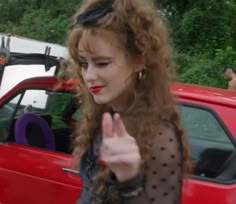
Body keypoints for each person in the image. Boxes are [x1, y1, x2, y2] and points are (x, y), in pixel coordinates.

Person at [67, 0, 192, 203]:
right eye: (83, 63)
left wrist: (129, 181)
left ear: (139, 60)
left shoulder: (159, 136)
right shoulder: (104, 114)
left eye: (102, 63)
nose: (89, 75)